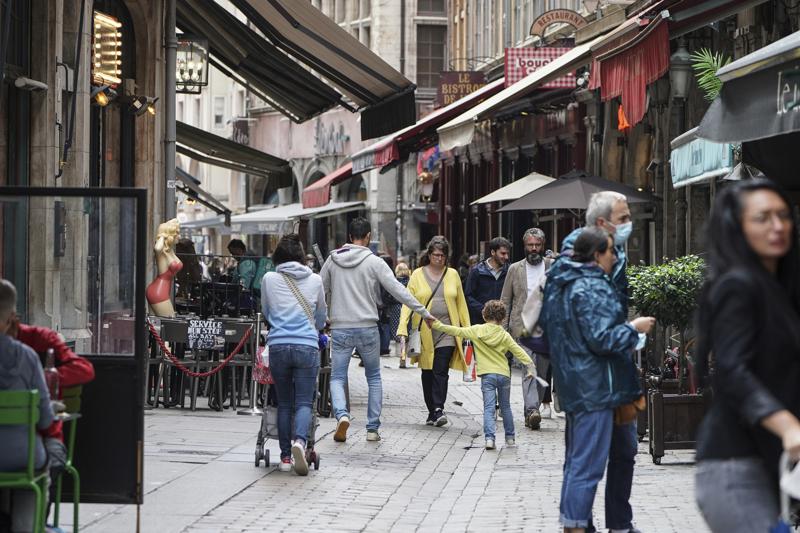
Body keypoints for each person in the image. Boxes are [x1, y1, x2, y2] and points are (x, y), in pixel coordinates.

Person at [693, 179, 800, 532]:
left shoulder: (780, 292)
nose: (778, 226)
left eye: (783, 215)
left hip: (772, 462)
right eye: (763, 218)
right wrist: (786, 425)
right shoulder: (737, 285)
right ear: (736, 227)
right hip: (735, 464)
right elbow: (731, 368)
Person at [540, 228, 654, 533]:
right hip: (594, 385)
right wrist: (635, 328)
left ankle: (575, 523)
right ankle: (575, 526)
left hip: (578, 382)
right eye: (611, 252)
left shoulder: (565, 282)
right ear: (596, 255)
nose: (615, 257)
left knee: (581, 463)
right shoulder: (589, 285)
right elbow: (602, 338)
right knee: (587, 466)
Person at [321, 217, 433, 443]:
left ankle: (342, 414)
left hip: (341, 327)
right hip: (368, 327)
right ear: (369, 237)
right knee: (373, 377)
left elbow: (319, 292)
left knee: (337, 377)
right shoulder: (375, 262)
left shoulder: (332, 261)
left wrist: (322, 318)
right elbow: (398, 291)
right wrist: (423, 312)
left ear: (349, 237)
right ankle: (372, 428)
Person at [7, 316, 94, 517]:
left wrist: (44, 378)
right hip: (19, 440)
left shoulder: (40, 340)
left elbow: (84, 369)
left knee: (50, 461)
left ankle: (40, 519)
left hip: (40, 435)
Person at [260, 234, 327, 476]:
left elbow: (266, 311)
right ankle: (300, 442)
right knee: (304, 402)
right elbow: (320, 317)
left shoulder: (269, 278)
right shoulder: (316, 280)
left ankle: (285, 456)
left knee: (284, 402)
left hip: (278, 345)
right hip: (306, 346)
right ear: (301, 256)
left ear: (278, 256)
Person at [431, 300, 533, 449]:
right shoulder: (504, 335)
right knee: (505, 407)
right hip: (504, 375)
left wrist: (436, 325)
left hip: (488, 376)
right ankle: (510, 438)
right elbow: (518, 350)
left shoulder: (477, 330)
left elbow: (456, 331)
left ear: (484, 315)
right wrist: (531, 366)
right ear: (502, 318)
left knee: (489, 408)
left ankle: (489, 439)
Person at [397, 236, 470, 427]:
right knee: (427, 372)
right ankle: (431, 410)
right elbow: (408, 302)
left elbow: (461, 304)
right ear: (429, 255)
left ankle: (438, 408)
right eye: (435, 255)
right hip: (424, 330)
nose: (439, 258)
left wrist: (467, 331)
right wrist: (402, 327)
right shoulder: (417, 275)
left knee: (441, 369)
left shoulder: (453, 274)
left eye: (442, 255)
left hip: (447, 329)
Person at [0, 279, 55, 533]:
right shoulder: (27, 357)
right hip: (22, 456)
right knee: (38, 470)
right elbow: (45, 420)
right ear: (11, 317)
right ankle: (27, 526)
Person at [500, 227, 554, 429]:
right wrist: (502, 329)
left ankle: (532, 409)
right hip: (522, 328)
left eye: (537, 245)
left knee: (542, 371)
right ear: (524, 246)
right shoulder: (515, 269)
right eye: (530, 245)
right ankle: (532, 410)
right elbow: (505, 300)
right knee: (528, 368)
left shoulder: (553, 267)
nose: (533, 249)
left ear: (543, 246)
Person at [560, 191, 632, 311]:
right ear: (601, 223)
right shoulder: (575, 250)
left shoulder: (616, 248)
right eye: (623, 219)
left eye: (629, 217)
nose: (628, 223)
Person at [464, 237, 511, 325]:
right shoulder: (476, 271)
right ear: (493, 252)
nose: (506, 257)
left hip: (503, 323)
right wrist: (485, 310)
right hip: (481, 323)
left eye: (507, 253)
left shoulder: (510, 270)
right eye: (503, 253)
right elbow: (468, 296)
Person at [146, 219, 182, 317]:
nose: (179, 236)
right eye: (177, 233)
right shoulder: (161, 253)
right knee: (171, 324)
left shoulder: (169, 250)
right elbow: (157, 248)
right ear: (170, 235)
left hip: (161, 290)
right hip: (159, 291)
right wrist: (162, 234)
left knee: (155, 327)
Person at [390, 262, 411, 368]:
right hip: (408, 308)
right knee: (406, 331)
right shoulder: (410, 282)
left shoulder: (394, 282)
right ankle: (404, 355)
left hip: (395, 309)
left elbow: (389, 296)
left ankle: (400, 354)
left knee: (398, 332)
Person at [378, 255, 395, 356]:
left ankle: (383, 347)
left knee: (383, 325)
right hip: (387, 305)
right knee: (385, 325)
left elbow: (384, 291)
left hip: (384, 304)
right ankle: (384, 347)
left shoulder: (384, 274)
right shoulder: (391, 274)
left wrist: (382, 303)